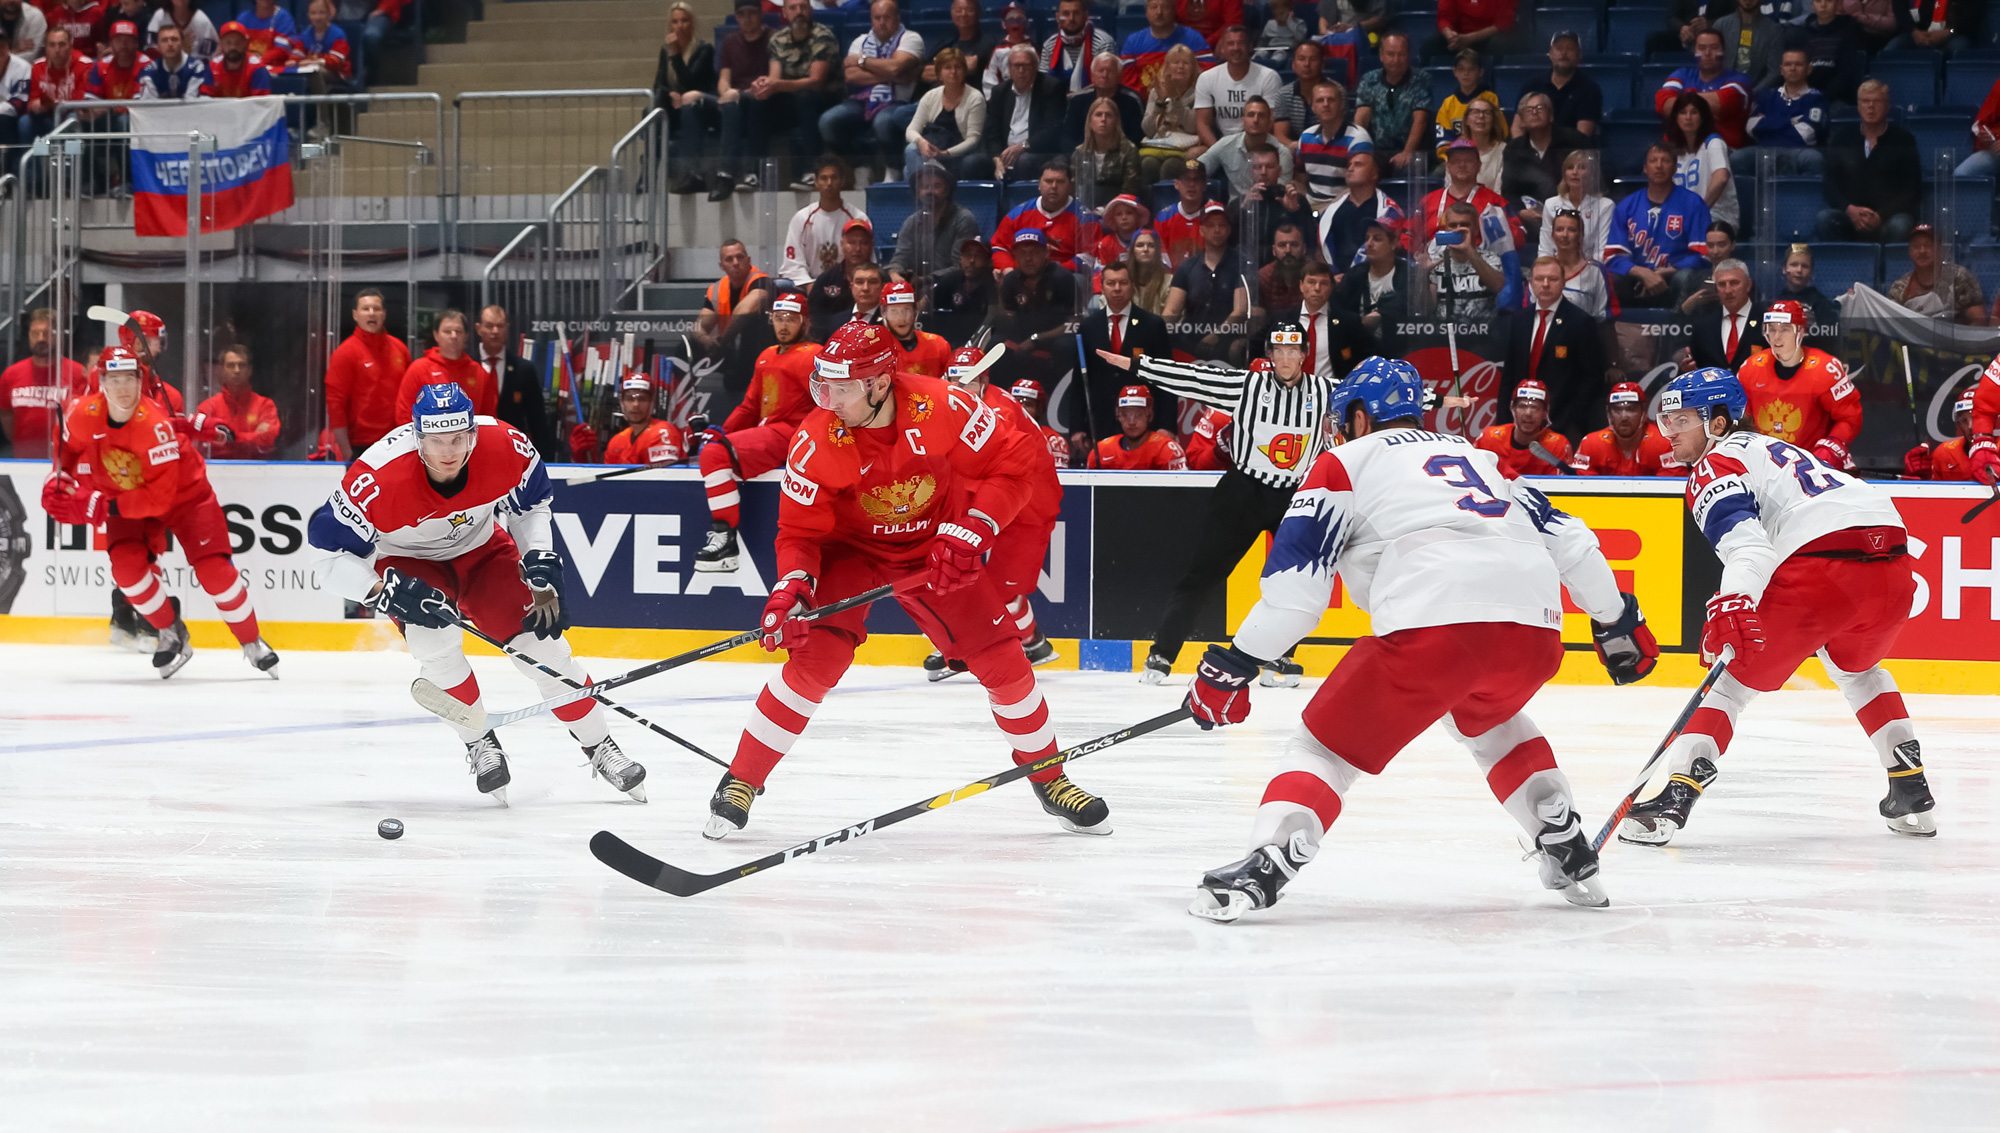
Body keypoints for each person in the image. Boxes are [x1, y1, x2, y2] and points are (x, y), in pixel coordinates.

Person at [1184, 356, 1649, 921]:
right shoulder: (1480, 458)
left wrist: (1233, 664)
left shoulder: (1344, 462)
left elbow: (1295, 596)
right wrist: (1615, 618)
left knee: (1321, 750)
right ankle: (1562, 836)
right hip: (1536, 630)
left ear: (1358, 416)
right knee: (1489, 721)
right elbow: (1572, 542)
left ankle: (1273, 855)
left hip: (1436, 625)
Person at [706, 321, 1112, 839]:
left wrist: (973, 529)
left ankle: (1050, 777)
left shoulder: (945, 405)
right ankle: (742, 778)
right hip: (850, 552)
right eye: (823, 385)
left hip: (931, 550)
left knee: (1006, 664)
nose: (828, 399)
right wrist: (792, 587)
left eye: (842, 387)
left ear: (879, 383)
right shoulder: (815, 439)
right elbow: (798, 531)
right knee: (814, 662)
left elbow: (1013, 464)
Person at [1619, 365, 1935, 846]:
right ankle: (1910, 785)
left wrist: (1733, 602)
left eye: (1681, 420)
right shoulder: (1778, 449)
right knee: (1859, 672)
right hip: (1893, 562)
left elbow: (1750, 549)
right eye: (1665, 422)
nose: (1669, 434)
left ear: (1718, 423)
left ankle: (1672, 801)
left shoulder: (1714, 464)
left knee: (1726, 687)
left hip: (1823, 567)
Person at [308, 384, 646, 805]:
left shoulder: (505, 444)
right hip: (408, 561)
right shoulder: (376, 477)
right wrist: (381, 591)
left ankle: (600, 745)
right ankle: (478, 740)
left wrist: (539, 559)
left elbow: (531, 505)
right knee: (436, 645)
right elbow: (325, 559)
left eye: (457, 439)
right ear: (417, 438)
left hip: (483, 551)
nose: (448, 452)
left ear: (472, 433)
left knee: (545, 648)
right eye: (435, 441)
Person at [1102, 320, 1342, 686]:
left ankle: (1281, 656)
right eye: (1279, 351)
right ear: (1270, 355)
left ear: (1305, 355)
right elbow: (1189, 378)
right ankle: (1162, 653)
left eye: (1293, 351)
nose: (1286, 359)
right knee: (1203, 574)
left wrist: (1437, 401)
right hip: (1242, 492)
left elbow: (1371, 395)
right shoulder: (1247, 385)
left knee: (1294, 582)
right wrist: (1136, 365)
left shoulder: (1325, 391)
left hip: (1294, 496)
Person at [48, 347, 280, 678]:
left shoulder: (153, 427)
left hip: (186, 497)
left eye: (130, 378)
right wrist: (59, 478)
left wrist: (97, 505)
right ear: (101, 382)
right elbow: (66, 445)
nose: (123, 388)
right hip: (125, 498)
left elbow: (157, 499)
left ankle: (251, 641)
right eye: (115, 379)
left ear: (140, 380)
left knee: (216, 573)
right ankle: (171, 631)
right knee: (127, 572)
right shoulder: (84, 413)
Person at [932, 344, 1065, 672]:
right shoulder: (949, 403)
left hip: (1029, 506)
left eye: (971, 383)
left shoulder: (999, 411)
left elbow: (989, 464)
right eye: (955, 382)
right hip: (988, 493)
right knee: (952, 568)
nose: (962, 390)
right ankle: (966, 642)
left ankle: (1032, 643)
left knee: (1003, 591)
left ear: (984, 383)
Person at [689, 292, 820, 571]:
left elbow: (829, 404)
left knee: (714, 455)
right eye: (779, 318)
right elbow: (750, 407)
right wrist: (721, 433)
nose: (784, 325)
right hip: (771, 432)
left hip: (795, 435)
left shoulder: (813, 356)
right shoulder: (766, 356)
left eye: (792, 319)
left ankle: (725, 542)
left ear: (805, 322)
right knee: (714, 453)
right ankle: (725, 541)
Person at [1733, 299, 1861, 467]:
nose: (1776, 336)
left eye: (1785, 329)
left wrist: (1830, 449)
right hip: (1763, 467)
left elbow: (1850, 418)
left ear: (1800, 331)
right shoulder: (1750, 368)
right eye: (1772, 329)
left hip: (1813, 469)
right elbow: (1741, 421)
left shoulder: (1826, 369)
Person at [817, 0, 925, 179]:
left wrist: (863, 62)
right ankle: (860, 165)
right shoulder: (860, 41)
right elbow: (851, 76)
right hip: (860, 100)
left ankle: (894, 169)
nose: (881, 22)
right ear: (871, 19)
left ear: (897, 17)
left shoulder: (911, 38)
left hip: (898, 100)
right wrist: (894, 75)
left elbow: (896, 67)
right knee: (827, 122)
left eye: (887, 17)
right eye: (877, 18)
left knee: (883, 121)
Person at [1506, 258, 1605, 439]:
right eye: (1539, 279)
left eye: (1552, 279)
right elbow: (1509, 374)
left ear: (1563, 282)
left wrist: (1571, 421)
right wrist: (1505, 421)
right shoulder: (1519, 320)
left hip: (1563, 423)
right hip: (1519, 423)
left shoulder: (1581, 322)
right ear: (1531, 283)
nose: (1545, 284)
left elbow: (1592, 378)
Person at [1079, 258, 1176, 444]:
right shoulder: (1088, 327)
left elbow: (1167, 379)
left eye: (1123, 283)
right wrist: (1077, 427)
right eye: (1111, 283)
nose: (1117, 288)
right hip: (1101, 424)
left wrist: (1168, 425)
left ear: (1132, 286)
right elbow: (1080, 381)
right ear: (1102, 287)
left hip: (1146, 424)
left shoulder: (1153, 325)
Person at [751, 0, 843, 188]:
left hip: (825, 97)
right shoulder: (778, 39)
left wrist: (776, 84)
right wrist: (765, 85)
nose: (799, 12)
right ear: (784, 12)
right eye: (793, 8)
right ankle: (754, 173)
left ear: (810, 10)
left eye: (803, 7)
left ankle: (811, 171)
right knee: (758, 101)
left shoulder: (822, 35)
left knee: (805, 97)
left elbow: (816, 81)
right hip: (793, 98)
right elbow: (775, 78)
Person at [1607, 146, 1712, 309]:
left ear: (1675, 167)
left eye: (1665, 161)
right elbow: (1613, 256)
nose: (1659, 165)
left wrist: (1666, 271)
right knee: (1613, 279)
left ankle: (1680, 328)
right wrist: (1642, 273)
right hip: (1636, 277)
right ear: (1645, 168)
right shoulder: (1626, 206)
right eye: (1653, 161)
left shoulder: (1694, 203)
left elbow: (1703, 254)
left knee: (1685, 278)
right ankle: (1622, 329)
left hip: (1674, 276)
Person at [1816, 80, 1918, 244]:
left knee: (1901, 224)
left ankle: (1886, 269)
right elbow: (1830, 185)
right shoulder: (1841, 138)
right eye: (1865, 101)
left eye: (1877, 101)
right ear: (1858, 105)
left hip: (1888, 217)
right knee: (1824, 219)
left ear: (1887, 105)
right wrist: (1850, 210)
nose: (1871, 106)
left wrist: (1880, 215)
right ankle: (1843, 268)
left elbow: (1911, 190)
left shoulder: (1903, 139)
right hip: (1850, 216)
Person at [326, 288, 411, 461]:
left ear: (384, 314)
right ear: (355, 315)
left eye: (376, 308)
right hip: (361, 445)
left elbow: (410, 396)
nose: (371, 313)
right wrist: (345, 451)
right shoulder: (345, 353)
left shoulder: (400, 349)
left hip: (398, 442)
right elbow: (335, 405)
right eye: (365, 309)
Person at [1163, 203, 1249, 361]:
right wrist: (1157, 331)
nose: (1216, 230)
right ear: (1201, 230)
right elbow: (1172, 311)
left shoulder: (1241, 263)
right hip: (1190, 339)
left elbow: (1240, 310)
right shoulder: (1186, 267)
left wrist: (1217, 334)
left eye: (1222, 225)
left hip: (1227, 339)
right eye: (1210, 225)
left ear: (1229, 230)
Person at [472, 306, 557, 462]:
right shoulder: (466, 367)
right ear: (479, 328)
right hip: (473, 456)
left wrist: (546, 464)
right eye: (489, 325)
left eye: (500, 326)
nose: (495, 331)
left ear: (507, 328)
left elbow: (538, 421)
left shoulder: (524, 370)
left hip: (513, 456)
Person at [996, 229, 1080, 389]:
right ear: (1015, 256)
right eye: (1022, 253)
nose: (1028, 258)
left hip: (1054, 339)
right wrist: (1000, 292)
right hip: (1022, 337)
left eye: (1034, 252)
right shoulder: (1011, 280)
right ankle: (999, 399)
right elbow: (1004, 320)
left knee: (1066, 346)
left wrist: (1038, 338)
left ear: (1046, 254)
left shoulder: (1063, 278)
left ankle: (1064, 401)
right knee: (996, 344)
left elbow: (1075, 323)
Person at [706, 0, 773, 198]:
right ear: (736, 17)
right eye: (742, 14)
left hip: (764, 97)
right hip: (736, 98)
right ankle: (716, 174)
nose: (747, 18)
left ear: (760, 14)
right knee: (706, 101)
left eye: (751, 13)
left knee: (750, 101)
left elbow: (775, 76)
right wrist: (727, 93)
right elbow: (723, 80)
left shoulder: (773, 38)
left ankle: (747, 172)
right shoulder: (729, 42)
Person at [990, 158, 1097, 275]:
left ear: (1070, 187)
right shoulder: (1017, 215)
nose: (1054, 186)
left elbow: (1089, 257)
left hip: (1064, 276)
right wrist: (1007, 269)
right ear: (1039, 185)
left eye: (1060, 181)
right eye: (1048, 181)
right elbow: (999, 247)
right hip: (1021, 275)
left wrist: (1056, 271)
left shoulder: (1085, 218)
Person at [1504, 93, 1589, 238]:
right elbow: (1508, 191)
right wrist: (1521, 212)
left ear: (1551, 116)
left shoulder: (1574, 141)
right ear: (1522, 121)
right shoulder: (1513, 149)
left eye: (1540, 107)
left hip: (1574, 217)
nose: (1535, 112)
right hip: (1531, 223)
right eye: (1529, 110)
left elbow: (1596, 174)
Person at [1418, 136, 1523, 251]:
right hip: (1434, 263)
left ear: (1478, 166)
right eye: (1456, 161)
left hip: (1479, 263)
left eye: (1468, 160)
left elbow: (1519, 236)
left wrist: (1485, 230)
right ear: (1448, 167)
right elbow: (1411, 236)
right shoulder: (1428, 200)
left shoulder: (1495, 202)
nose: (1462, 165)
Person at [982, 44, 1067, 183]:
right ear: (1009, 68)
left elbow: (1053, 129)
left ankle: (1022, 201)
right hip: (1005, 152)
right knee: (971, 163)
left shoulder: (1051, 87)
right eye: (1016, 66)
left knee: (1024, 161)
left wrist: (1022, 146)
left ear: (1035, 66)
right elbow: (992, 131)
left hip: (1037, 151)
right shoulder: (1000, 91)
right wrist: (997, 158)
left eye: (1026, 66)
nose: (1021, 70)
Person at [1655, 28, 1750, 150]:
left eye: (1714, 47)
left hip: (1723, 150)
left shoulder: (1739, 79)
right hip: (1679, 149)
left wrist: (1681, 103)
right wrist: (1709, 109)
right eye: (1702, 48)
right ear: (1694, 51)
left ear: (1724, 51)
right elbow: (1662, 104)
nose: (1707, 53)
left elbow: (1724, 103)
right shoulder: (1681, 75)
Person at [396, 310, 496, 423]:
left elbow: (488, 418)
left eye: (458, 331)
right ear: (436, 335)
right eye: (447, 331)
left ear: (466, 335)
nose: (453, 336)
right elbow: (404, 416)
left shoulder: (479, 373)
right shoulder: (418, 369)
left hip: (469, 439)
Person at [902, 46, 985, 182]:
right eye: (947, 67)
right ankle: (927, 195)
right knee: (912, 151)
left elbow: (973, 139)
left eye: (957, 67)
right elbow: (911, 130)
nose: (953, 72)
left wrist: (945, 153)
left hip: (960, 153)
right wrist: (921, 142)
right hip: (934, 149)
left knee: (910, 167)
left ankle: (926, 196)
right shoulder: (931, 96)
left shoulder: (975, 98)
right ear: (939, 73)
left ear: (964, 71)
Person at [570, 371, 687, 466]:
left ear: (652, 403)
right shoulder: (616, 442)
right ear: (622, 403)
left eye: (642, 399)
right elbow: (607, 486)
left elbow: (663, 482)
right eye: (630, 399)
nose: (635, 404)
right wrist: (582, 457)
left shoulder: (663, 432)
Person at [889, 162, 981, 282]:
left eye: (936, 186)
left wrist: (924, 280)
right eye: (924, 187)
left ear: (947, 190)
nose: (929, 191)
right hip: (917, 286)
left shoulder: (964, 219)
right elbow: (900, 258)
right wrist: (895, 273)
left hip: (952, 286)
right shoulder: (911, 222)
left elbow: (960, 266)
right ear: (918, 192)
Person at [1353, 32, 1431, 174]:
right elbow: (1361, 118)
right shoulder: (1369, 79)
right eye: (1390, 54)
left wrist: (1407, 152)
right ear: (1381, 56)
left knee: (1411, 167)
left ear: (1408, 55)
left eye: (1401, 54)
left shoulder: (1422, 79)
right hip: (1377, 151)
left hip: (1412, 151)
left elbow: (1420, 120)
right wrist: (1359, 150)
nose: (1396, 59)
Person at [1316, 149, 1404, 276]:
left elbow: (1393, 251)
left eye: (1358, 165)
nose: (1350, 169)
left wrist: (1353, 279)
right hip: (1336, 281)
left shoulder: (1390, 211)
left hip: (1375, 279)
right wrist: (1331, 278)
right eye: (1349, 165)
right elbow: (1321, 250)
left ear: (1374, 174)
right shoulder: (1330, 212)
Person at [781, 157, 866, 287]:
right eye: (824, 178)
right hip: (810, 285)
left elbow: (867, 263)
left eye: (834, 178)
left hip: (849, 287)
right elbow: (792, 265)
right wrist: (809, 286)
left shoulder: (858, 218)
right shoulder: (801, 219)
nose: (829, 183)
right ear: (816, 181)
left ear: (842, 181)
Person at [1743, 48, 1828, 177]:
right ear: (1782, 70)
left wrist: (1766, 124)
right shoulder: (1767, 95)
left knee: (1813, 159)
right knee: (1738, 159)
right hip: (1763, 150)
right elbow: (1751, 127)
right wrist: (1791, 122)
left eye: (1798, 64)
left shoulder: (1816, 98)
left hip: (1798, 150)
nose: (1792, 68)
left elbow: (1805, 135)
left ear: (1809, 69)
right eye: (1788, 64)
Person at [1194, 24, 1281, 147]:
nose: (1236, 48)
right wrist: (1219, 152)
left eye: (1241, 43)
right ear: (1222, 48)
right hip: (1220, 144)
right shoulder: (1207, 78)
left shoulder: (1269, 77)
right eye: (1230, 43)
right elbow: (1202, 125)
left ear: (1250, 47)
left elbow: (1271, 122)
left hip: (1259, 144)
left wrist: (1247, 150)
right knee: (1193, 156)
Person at [1420, 201, 1508, 322]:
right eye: (1453, 225)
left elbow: (1497, 286)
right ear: (1446, 229)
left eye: (1464, 225)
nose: (1458, 230)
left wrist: (1469, 251)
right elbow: (1428, 308)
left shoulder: (1491, 258)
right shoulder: (1436, 262)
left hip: (1483, 335)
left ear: (1476, 230)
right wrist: (1423, 273)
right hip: (1443, 335)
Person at [1572, 382, 1684, 475]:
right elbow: (1582, 492)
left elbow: (1670, 494)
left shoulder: (1665, 444)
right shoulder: (1591, 445)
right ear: (1608, 413)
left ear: (1644, 413)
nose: (1624, 416)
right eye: (1617, 409)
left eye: (1631, 409)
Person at [1665, 91, 1737, 235]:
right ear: (1676, 118)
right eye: (1683, 112)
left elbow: (1721, 177)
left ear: (1703, 117)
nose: (1688, 118)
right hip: (1685, 219)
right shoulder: (1674, 151)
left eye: (1694, 112)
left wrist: (1700, 210)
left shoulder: (1714, 142)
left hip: (1717, 218)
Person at [1332, 220, 1409, 353]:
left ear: (1393, 244)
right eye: (1367, 238)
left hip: (1399, 352)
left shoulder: (1408, 274)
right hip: (1359, 350)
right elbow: (1340, 312)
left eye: (1377, 239)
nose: (1369, 244)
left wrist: (1381, 314)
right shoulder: (1354, 275)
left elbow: (1408, 307)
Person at [1887, 225, 1988, 326]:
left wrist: (1963, 340)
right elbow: (1894, 326)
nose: (1922, 251)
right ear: (1910, 252)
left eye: (1928, 245)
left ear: (1940, 249)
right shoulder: (1900, 287)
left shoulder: (1959, 277)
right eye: (1916, 246)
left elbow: (1979, 320)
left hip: (1954, 339)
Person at [194, 344, 281, 459]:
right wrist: (254, 437)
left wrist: (229, 438)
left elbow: (268, 439)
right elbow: (203, 444)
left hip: (258, 471)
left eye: (242, 365)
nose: (237, 370)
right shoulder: (206, 408)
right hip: (218, 471)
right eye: (231, 365)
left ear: (250, 370)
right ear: (221, 370)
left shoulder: (265, 405)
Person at [1196, 95, 1291, 200]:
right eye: (1251, 115)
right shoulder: (1226, 145)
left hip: (1270, 207)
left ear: (1269, 122)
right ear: (1243, 120)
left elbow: (1281, 193)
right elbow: (1197, 168)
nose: (1255, 120)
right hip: (1235, 210)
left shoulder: (1282, 153)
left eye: (1261, 116)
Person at [1231, 150, 1313, 267]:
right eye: (1257, 167)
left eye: (1269, 167)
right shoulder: (1238, 204)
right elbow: (1228, 242)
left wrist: (1295, 212)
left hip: (1288, 268)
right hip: (1247, 269)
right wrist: (1243, 210)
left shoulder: (1296, 200)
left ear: (1279, 171)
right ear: (1250, 172)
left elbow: (1311, 242)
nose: (1263, 172)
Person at [1119, 0, 1212, 102]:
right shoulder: (1133, 42)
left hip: (1187, 104)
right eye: (1154, 7)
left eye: (1165, 7)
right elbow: (1128, 83)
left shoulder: (1194, 39)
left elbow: (1208, 76)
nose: (1159, 12)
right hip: (1145, 106)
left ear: (1174, 11)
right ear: (1147, 11)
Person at [1296, 81, 1370, 209]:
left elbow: (1360, 186)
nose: (1326, 104)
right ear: (1312, 106)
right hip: (1311, 206)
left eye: (1331, 100)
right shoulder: (1306, 137)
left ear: (1341, 104)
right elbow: (1300, 179)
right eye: (1320, 100)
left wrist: (1329, 209)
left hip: (1346, 206)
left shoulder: (1358, 138)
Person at [696, 240, 776, 358]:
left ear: (748, 260)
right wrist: (705, 339)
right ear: (721, 266)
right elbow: (699, 326)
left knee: (751, 324)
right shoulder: (717, 289)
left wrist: (723, 342)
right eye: (729, 259)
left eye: (740, 257)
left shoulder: (761, 281)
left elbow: (744, 312)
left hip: (760, 351)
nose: (735, 263)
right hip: (730, 351)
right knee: (688, 346)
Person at [1476, 380, 1573, 476]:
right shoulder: (1489, 438)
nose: (1528, 413)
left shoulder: (1558, 445)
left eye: (1535, 407)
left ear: (1545, 412)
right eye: (1522, 406)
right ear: (1512, 408)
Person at [1138, 43, 1203, 183]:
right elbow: (1148, 130)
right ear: (1167, 67)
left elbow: (1193, 127)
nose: (1180, 67)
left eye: (1186, 63)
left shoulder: (1200, 91)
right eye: (1175, 62)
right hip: (1158, 146)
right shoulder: (1157, 90)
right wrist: (1160, 102)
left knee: (1170, 167)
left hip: (1186, 148)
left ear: (1193, 68)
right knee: (1147, 164)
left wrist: (1175, 99)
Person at [808, 222, 884, 339]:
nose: (857, 249)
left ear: (871, 245)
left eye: (863, 243)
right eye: (851, 243)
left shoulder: (884, 278)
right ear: (842, 244)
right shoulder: (826, 280)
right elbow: (814, 316)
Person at [1519, 29, 1600, 138]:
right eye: (1559, 48)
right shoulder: (1531, 84)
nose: (1563, 53)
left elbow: (1582, 136)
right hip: (1533, 151)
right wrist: (1521, 151)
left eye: (1570, 48)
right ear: (1550, 54)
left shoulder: (1589, 89)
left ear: (1579, 54)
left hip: (1571, 152)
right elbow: (1517, 126)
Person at [1688, 259, 1765, 371]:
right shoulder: (1703, 325)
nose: (1728, 290)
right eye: (1722, 284)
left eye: (1734, 283)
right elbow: (1695, 368)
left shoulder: (1766, 321)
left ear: (1748, 285)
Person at [1087, 383, 1188, 469]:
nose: (1131, 422)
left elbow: (1179, 490)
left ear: (1149, 415)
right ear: (1118, 415)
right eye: (1125, 414)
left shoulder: (1166, 449)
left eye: (1138, 414)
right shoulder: (1101, 451)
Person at [1535, 153, 1613, 262]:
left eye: (1581, 167)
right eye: (1570, 168)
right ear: (1564, 175)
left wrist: (1584, 270)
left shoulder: (1605, 206)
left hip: (1589, 268)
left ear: (1592, 176)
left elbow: (1601, 249)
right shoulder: (1550, 204)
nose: (1575, 172)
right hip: (1557, 268)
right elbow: (1545, 249)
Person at [1060, 51, 1143, 153]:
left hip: (1119, 157)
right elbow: (1068, 137)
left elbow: (1136, 138)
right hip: (1083, 156)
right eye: (1100, 71)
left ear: (1120, 76)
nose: (1105, 75)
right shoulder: (1078, 100)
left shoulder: (1132, 100)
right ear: (1092, 76)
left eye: (1110, 71)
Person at [922, 236, 998, 345]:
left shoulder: (992, 285)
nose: (972, 261)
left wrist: (972, 344)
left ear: (988, 261)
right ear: (961, 259)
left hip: (979, 345)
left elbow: (992, 317)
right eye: (967, 255)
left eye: (978, 256)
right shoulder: (953, 279)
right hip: (951, 343)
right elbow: (927, 301)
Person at [1433, 48, 1505, 160]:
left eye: (1471, 69)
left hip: (1486, 157)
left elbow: (1500, 132)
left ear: (1480, 72)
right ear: (1455, 72)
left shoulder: (1490, 99)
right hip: (1455, 160)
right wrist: (1453, 158)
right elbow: (1443, 142)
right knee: (1437, 175)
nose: (1466, 74)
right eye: (1461, 69)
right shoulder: (1448, 104)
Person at [22, 28, 90, 144]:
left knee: (72, 119)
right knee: (25, 122)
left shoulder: (84, 65)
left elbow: (81, 101)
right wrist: (36, 105)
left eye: (62, 44)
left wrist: (59, 104)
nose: (57, 50)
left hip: (73, 117)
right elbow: (33, 99)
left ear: (70, 46)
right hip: (48, 117)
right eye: (52, 45)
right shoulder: (38, 67)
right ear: (46, 48)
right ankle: (30, 162)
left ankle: (70, 161)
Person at [1073, 95, 1144, 205]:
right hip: (1086, 214)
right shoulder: (1080, 153)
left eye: (1109, 115)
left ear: (1116, 121)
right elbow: (1075, 190)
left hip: (1119, 212)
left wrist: (1107, 210)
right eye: (1098, 115)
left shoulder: (1129, 150)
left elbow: (1131, 190)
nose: (1103, 119)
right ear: (1090, 121)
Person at [1795, 0, 1866, 104]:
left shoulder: (1849, 29)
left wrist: (1822, 96)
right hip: (1807, 95)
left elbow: (1846, 74)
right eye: (1818, 1)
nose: (1823, 5)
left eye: (1829, 1)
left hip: (1838, 98)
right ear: (1812, 6)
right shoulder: (1804, 33)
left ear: (1837, 4)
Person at [1546, 209, 1612, 320]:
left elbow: (1603, 318)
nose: (1565, 235)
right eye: (1559, 229)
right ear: (1552, 235)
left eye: (1571, 230)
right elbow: (1530, 312)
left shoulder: (1595, 272)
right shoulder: (1542, 269)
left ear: (1581, 235)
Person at [1904, 390, 1979, 482]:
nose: (1970, 427)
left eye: (1977, 418)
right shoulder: (1944, 453)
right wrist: (1922, 479)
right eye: (1964, 420)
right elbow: (1931, 493)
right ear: (1958, 423)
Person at [879, 279, 951, 375]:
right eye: (894, 311)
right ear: (884, 313)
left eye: (907, 310)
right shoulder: (879, 350)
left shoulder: (939, 346)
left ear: (915, 311)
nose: (901, 318)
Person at [1711, 0, 1785, 91]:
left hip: (1756, 95)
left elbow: (1775, 71)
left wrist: (1752, 94)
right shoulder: (1721, 25)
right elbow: (1711, 62)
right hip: (1720, 90)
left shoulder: (1773, 30)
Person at [1041, 0, 1114, 90]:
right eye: (1066, 14)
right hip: (1057, 100)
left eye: (1076, 13)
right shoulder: (1049, 45)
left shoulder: (1103, 42)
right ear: (1058, 17)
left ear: (1086, 16)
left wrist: (1077, 99)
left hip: (1093, 101)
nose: (1071, 18)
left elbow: (1106, 83)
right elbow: (1043, 83)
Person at [1155, 156, 1212, 266]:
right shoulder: (1163, 217)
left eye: (1197, 180)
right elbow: (1161, 259)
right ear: (1176, 184)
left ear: (1204, 185)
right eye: (1186, 179)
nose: (1191, 184)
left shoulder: (1214, 215)